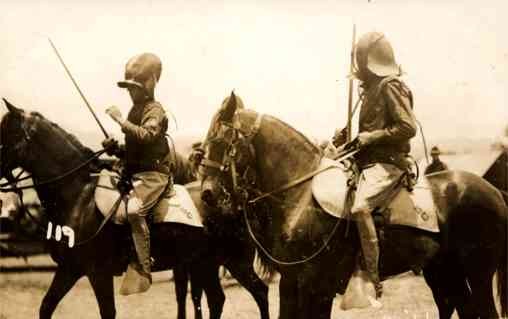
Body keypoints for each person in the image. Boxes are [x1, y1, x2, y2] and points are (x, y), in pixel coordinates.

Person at [344, 32, 417, 299]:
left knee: (360, 207)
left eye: (361, 58)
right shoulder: (370, 90)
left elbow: (407, 127)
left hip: (389, 164)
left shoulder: (390, 85)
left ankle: (373, 277)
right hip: (367, 164)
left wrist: (371, 137)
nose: (358, 64)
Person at [102, 52, 172, 292]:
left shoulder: (154, 110)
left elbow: (148, 136)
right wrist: (116, 149)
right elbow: (135, 150)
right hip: (135, 175)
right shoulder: (135, 110)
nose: (130, 92)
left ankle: (144, 268)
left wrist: (120, 120)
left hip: (155, 176)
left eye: (134, 87)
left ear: (148, 85)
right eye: (128, 88)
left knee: (134, 210)